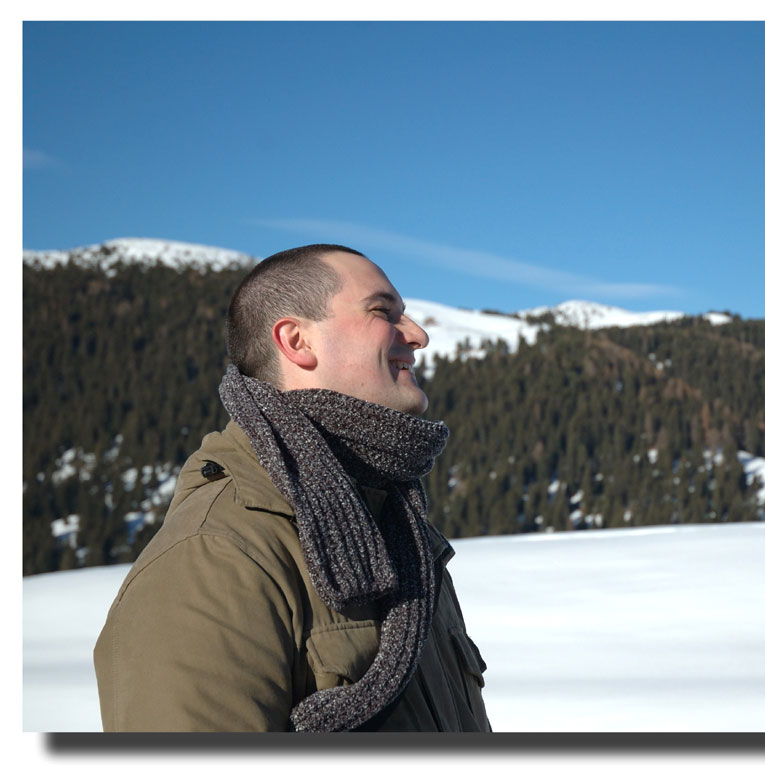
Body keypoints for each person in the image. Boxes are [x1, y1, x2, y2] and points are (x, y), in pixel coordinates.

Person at [93, 244, 491, 732]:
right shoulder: (217, 556)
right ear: (298, 341)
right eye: (382, 312)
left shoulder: (402, 538)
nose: (418, 335)